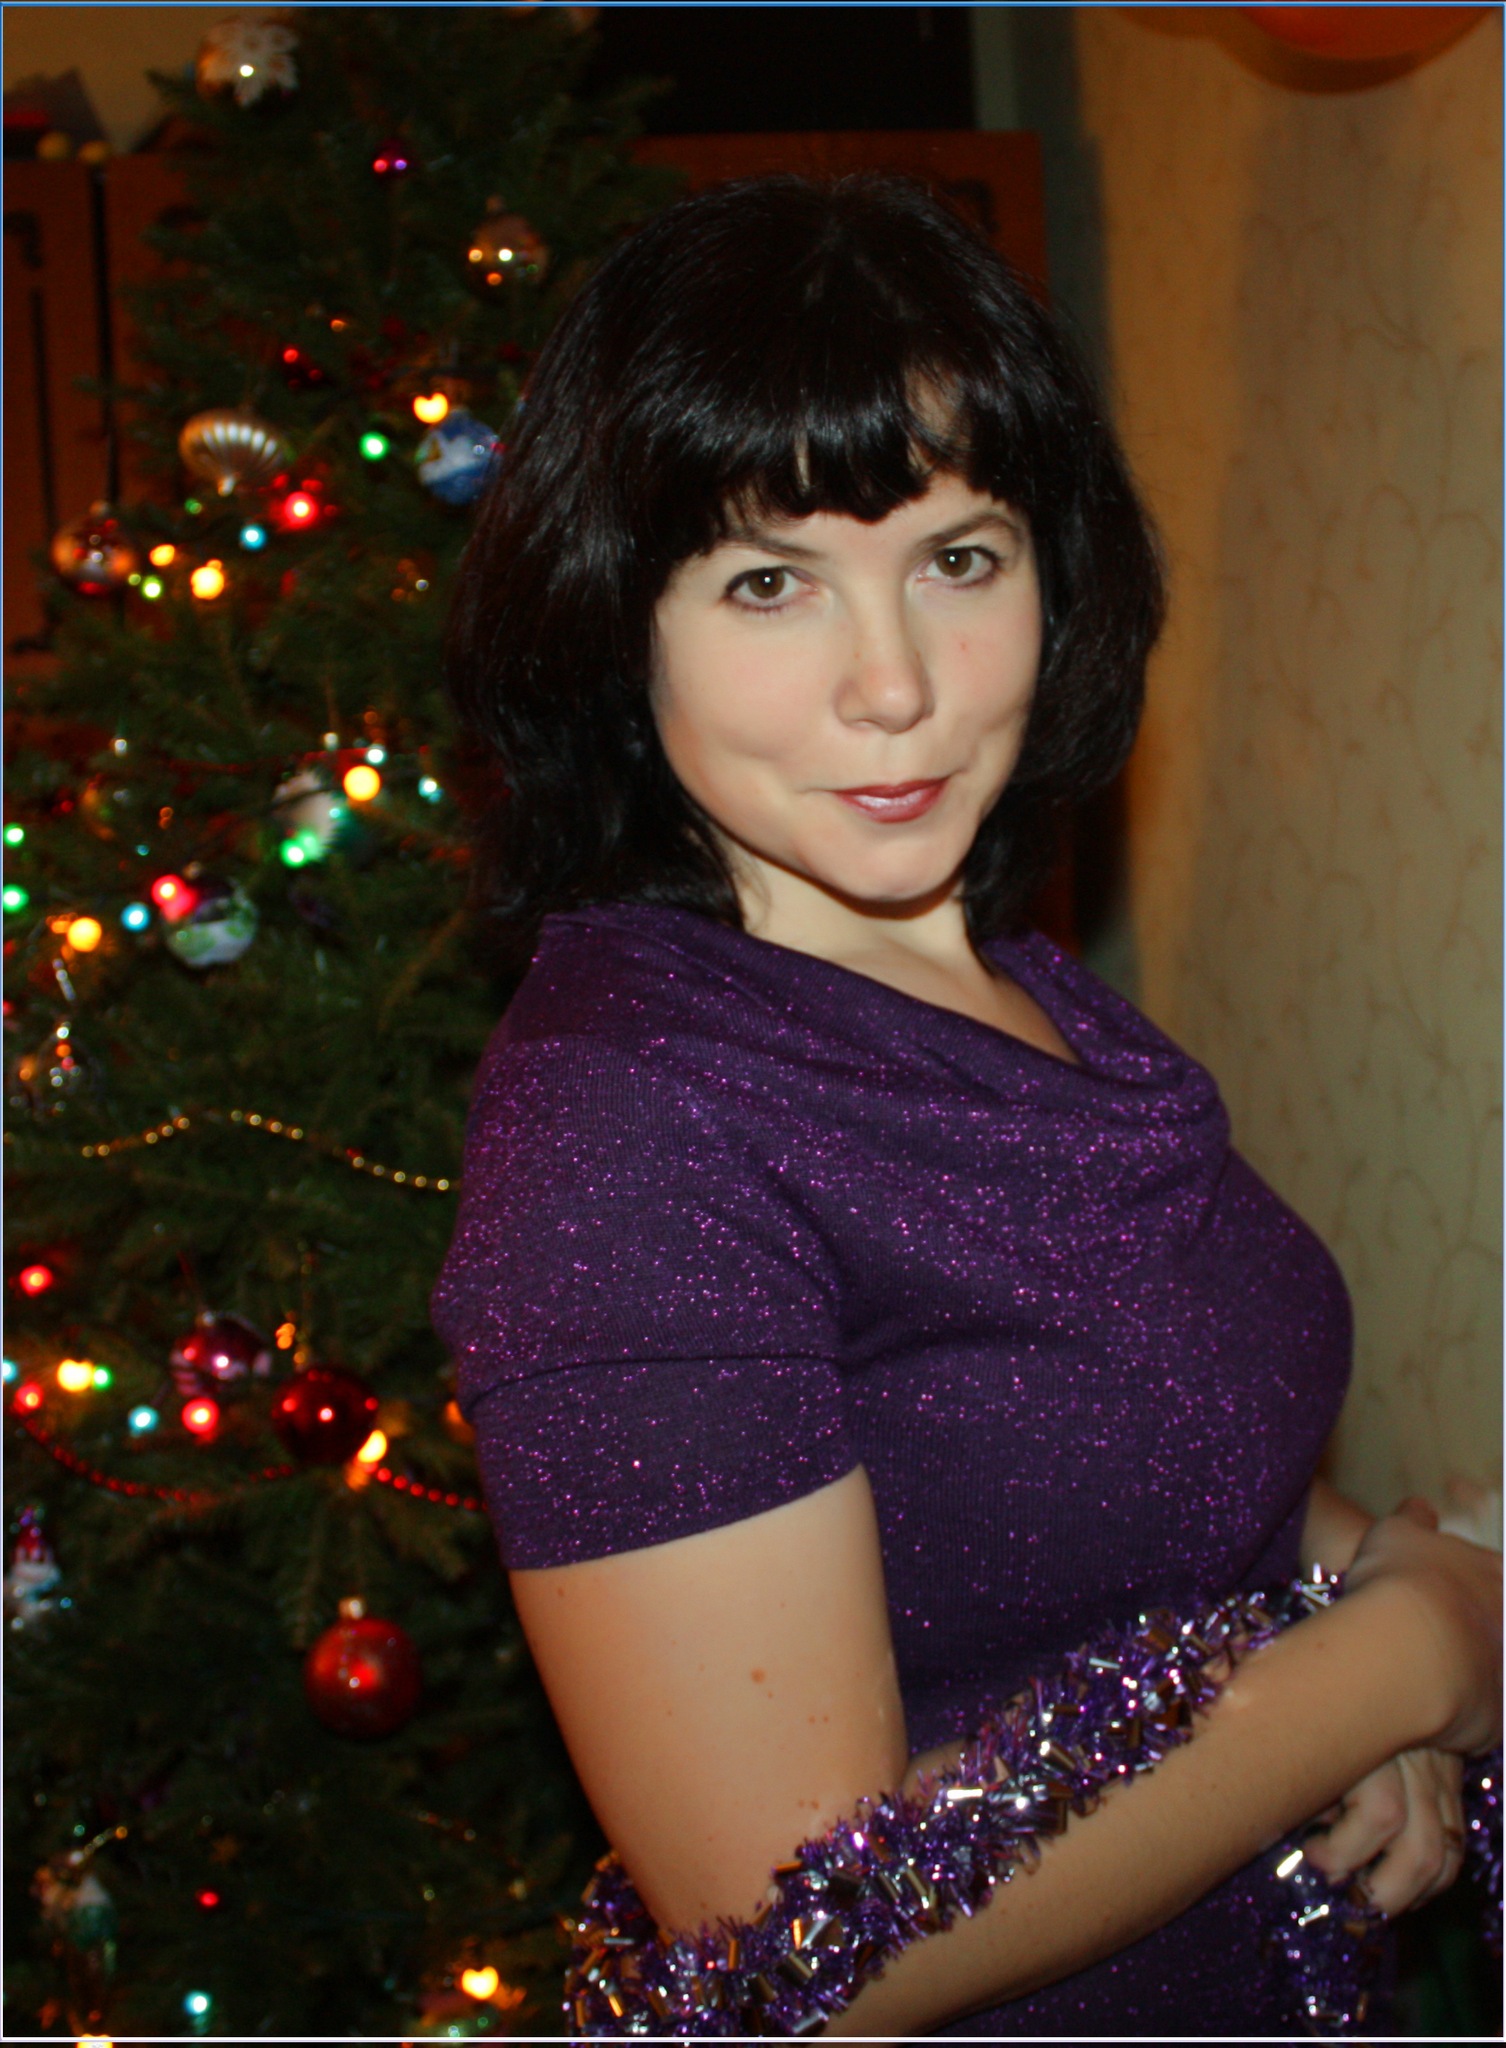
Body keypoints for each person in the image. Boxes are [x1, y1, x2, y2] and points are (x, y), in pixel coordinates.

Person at [432, 174, 1500, 2036]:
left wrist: (1364, 1592)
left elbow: (1166, 1461)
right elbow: (799, 1946)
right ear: (617, 627)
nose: (897, 687)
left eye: (959, 558)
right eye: (769, 582)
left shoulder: (1001, 973)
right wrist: (1411, 1659)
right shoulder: (620, 1126)